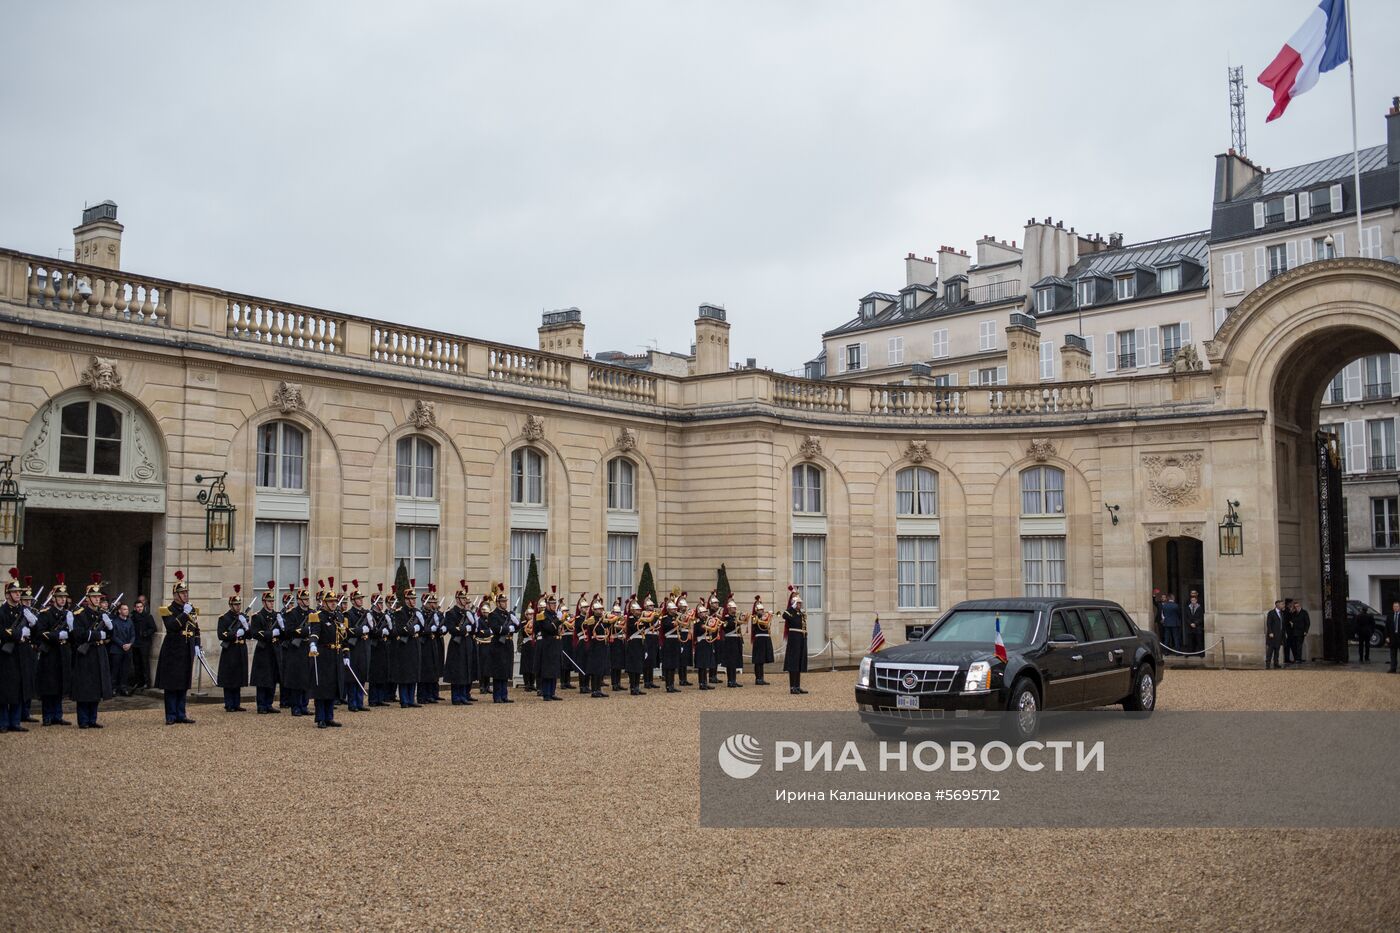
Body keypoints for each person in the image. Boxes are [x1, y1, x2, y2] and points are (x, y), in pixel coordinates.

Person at [155, 570, 199, 725]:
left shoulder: (190, 609)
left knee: (184, 683)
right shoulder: (167, 610)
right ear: (175, 595)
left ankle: (181, 714)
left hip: (187, 649)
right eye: (182, 593)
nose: (185, 595)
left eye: (186, 592)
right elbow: (172, 626)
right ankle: (171, 715)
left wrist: (197, 645)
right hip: (173, 650)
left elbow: (196, 629)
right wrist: (184, 615)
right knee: (172, 683)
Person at [70, 574, 114, 729]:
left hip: (98, 652)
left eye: (98, 597)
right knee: (85, 687)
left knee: (96, 686)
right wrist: (97, 635)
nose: (97, 599)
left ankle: (92, 718)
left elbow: (110, 635)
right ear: (87, 599)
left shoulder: (102, 614)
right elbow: (78, 634)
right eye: (94, 597)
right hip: (86, 654)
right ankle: (83, 720)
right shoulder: (80, 615)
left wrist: (110, 628)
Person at [36, 574, 73, 726]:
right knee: (49, 686)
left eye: (64, 597)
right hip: (50, 653)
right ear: (54, 598)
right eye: (60, 597)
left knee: (60, 684)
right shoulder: (46, 613)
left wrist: (71, 629)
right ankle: (47, 716)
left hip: (62, 653)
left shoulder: (67, 614)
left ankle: (58, 715)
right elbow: (41, 632)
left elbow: (73, 635)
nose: (63, 599)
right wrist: (57, 635)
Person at [306, 583, 344, 728]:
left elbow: (343, 637)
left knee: (333, 687)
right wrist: (313, 644)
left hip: (335, 655)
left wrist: (346, 653)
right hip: (323, 655)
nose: (333, 604)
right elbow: (314, 632)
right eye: (330, 601)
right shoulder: (318, 616)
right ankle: (320, 717)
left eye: (335, 601)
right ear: (324, 602)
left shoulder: (338, 616)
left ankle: (329, 717)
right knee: (322, 688)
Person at [0, 568, 27, 732]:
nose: (18, 594)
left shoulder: (23, 611)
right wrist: (18, 634)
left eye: (19, 592)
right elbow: (2, 632)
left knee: (18, 688)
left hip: (20, 654)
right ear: (8, 594)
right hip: (6, 655)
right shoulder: (2, 611)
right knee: (5, 689)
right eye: (15, 592)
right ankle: (3, 722)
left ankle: (15, 722)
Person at [249, 581, 282, 714]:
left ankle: (269, 703)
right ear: (263, 602)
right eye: (269, 601)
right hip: (263, 650)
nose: (271, 603)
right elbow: (255, 633)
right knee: (263, 679)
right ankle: (261, 705)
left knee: (273, 678)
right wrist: (270, 634)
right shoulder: (257, 616)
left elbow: (283, 633)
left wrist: (282, 627)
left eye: (272, 601)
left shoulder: (276, 615)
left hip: (274, 650)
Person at [280, 581, 312, 716]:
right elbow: (288, 631)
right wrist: (305, 631)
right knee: (296, 678)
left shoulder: (312, 613)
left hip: (308, 648)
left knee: (306, 678)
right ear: (299, 601)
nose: (307, 601)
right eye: (304, 599)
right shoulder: (292, 613)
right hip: (296, 649)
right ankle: (296, 706)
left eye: (308, 598)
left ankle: (304, 705)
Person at [443, 581, 478, 705]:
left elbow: (474, 629)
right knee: (457, 670)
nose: (464, 600)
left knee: (465, 669)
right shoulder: (451, 613)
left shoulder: (467, 613)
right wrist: (464, 629)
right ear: (457, 599)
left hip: (466, 643)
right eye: (462, 598)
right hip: (457, 644)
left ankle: (463, 695)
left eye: (465, 598)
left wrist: (472, 624)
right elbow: (451, 629)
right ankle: (456, 697)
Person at [216, 585, 249, 712]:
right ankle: (229, 703)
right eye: (235, 604)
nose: (238, 607)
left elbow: (250, 634)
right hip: (230, 650)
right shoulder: (224, 618)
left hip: (240, 649)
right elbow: (221, 635)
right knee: (229, 677)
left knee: (238, 677)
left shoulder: (243, 617)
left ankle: (237, 703)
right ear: (230, 605)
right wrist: (235, 634)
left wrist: (246, 626)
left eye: (239, 604)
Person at [391, 582, 424, 708]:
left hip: (415, 644)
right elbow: (401, 629)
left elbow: (423, 628)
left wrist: (419, 628)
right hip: (404, 646)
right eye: (411, 599)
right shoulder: (400, 612)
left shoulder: (417, 612)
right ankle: (404, 700)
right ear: (406, 600)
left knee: (414, 672)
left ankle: (411, 699)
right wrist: (415, 628)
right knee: (404, 674)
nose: (413, 601)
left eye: (414, 599)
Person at [485, 586, 518, 703]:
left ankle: (504, 695)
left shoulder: (508, 614)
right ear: (498, 603)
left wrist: (516, 623)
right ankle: (497, 696)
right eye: (503, 601)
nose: (505, 603)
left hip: (507, 643)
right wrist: (507, 629)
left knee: (506, 670)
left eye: (505, 601)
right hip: (498, 644)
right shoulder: (493, 614)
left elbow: (517, 628)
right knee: (498, 671)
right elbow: (495, 628)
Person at [342, 581, 372, 713]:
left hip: (364, 647)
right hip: (354, 649)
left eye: (361, 598)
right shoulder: (348, 614)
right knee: (353, 677)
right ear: (353, 601)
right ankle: (352, 703)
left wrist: (370, 623)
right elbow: (346, 631)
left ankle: (360, 702)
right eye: (358, 599)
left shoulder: (366, 613)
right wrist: (361, 631)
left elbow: (372, 628)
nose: (360, 600)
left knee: (362, 675)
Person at [534, 588, 563, 701]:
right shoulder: (543, 615)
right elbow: (548, 628)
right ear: (547, 605)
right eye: (552, 603)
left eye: (555, 603)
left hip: (555, 643)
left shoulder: (554, 615)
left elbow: (558, 630)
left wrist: (560, 621)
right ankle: (546, 693)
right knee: (547, 670)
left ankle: (552, 692)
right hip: (547, 644)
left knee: (554, 669)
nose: (554, 605)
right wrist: (558, 620)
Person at [367, 584, 393, 707]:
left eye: (382, 603)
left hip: (383, 646)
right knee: (374, 674)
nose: (381, 605)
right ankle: (373, 699)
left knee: (382, 672)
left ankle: (380, 698)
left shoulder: (383, 616)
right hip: (374, 647)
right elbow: (372, 631)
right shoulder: (370, 615)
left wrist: (389, 626)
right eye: (379, 603)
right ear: (374, 603)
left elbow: (392, 631)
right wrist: (382, 632)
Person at [419, 586, 445, 704]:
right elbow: (421, 629)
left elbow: (440, 626)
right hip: (424, 643)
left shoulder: (434, 614)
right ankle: (423, 695)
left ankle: (431, 694)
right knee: (425, 670)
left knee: (433, 668)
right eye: (430, 602)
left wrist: (441, 629)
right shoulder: (421, 614)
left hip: (433, 642)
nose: (432, 604)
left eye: (433, 602)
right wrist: (430, 630)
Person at [783, 586, 809, 694]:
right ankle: (792, 687)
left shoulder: (801, 613)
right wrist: (792, 606)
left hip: (801, 639)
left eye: (800, 603)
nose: (800, 605)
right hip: (794, 639)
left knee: (798, 662)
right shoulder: (791, 612)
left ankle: (797, 686)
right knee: (793, 662)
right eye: (798, 603)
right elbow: (784, 615)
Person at [583, 595, 610, 698]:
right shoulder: (591, 620)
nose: (600, 611)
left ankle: (599, 689)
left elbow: (607, 628)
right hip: (595, 645)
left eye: (601, 609)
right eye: (598, 609)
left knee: (600, 669)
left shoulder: (603, 619)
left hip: (602, 644)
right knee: (595, 669)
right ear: (594, 610)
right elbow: (593, 628)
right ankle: (594, 690)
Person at [109, 600, 136, 697]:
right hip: (117, 650)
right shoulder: (115, 622)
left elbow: (133, 634)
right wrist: (122, 645)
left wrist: (130, 644)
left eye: (127, 609)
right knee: (115, 670)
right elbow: (114, 636)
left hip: (128, 649)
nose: (126, 611)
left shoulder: (130, 621)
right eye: (124, 609)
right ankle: (113, 688)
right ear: (119, 611)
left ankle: (123, 688)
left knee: (125, 670)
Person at [130, 595, 156, 690]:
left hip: (144, 643)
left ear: (143, 607)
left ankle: (146, 682)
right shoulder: (132, 617)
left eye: (141, 607)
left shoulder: (148, 616)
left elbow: (153, 628)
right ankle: (138, 681)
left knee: (144, 663)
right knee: (136, 663)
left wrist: (146, 633)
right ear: (135, 608)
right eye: (137, 607)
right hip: (135, 643)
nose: (139, 608)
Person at [623, 596, 647, 695]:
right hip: (633, 644)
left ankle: (637, 687)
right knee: (633, 667)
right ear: (632, 611)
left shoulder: (639, 618)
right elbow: (634, 627)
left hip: (639, 644)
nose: (639, 611)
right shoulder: (630, 619)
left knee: (638, 666)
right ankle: (633, 687)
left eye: (639, 610)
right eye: (637, 610)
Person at [659, 592, 682, 693]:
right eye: (673, 609)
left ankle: (672, 684)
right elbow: (668, 626)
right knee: (668, 665)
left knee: (673, 665)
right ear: (668, 610)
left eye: (675, 609)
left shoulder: (675, 617)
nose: (675, 611)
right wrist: (676, 623)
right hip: (668, 642)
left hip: (675, 642)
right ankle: (668, 685)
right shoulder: (665, 618)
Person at [748, 596, 774, 685]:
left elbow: (767, 625)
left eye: (762, 610)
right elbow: (760, 622)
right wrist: (766, 617)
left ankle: (761, 678)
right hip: (759, 639)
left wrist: (769, 616)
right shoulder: (755, 617)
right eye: (760, 610)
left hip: (765, 638)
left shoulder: (765, 616)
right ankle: (758, 678)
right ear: (757, 610)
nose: (762, 611)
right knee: (758, 660)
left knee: (762, 660)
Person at [692, 602, 716, 691]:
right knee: (702, 665)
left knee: (706, 664)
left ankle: (705, 682)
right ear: (699, 614)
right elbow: (700, 630)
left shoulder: (707, 620)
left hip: (707, 642)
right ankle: (701, 683)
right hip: (701, 643)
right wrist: (708, 626)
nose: (705, 614)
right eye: (703, 612)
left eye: (706, 612)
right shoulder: (697, 621)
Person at [721, 597, 744, 688]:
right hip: (729, 641)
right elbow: (726, 627)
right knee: (730, 661)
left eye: (735, 608)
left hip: (736, 640)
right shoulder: (726, 618)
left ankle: (734, 680)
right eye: (734, 608)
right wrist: (738, 622)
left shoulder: (735, 617)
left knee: (735, 661)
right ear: (729, 609)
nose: (735, 609)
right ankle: (730, 681)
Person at [676, 592, 694, 687]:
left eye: (685, 606)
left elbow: (690, 624)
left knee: (686, 657)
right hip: (681, 634)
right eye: (683, 606)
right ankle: (681, 679)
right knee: (681, 657)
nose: (685, 608)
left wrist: (690, 632)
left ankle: (685, 678)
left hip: (687, 633)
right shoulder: (677, 614)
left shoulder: (688, 614)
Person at [1264, 599, 1286, 670]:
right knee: (1270, 650)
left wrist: (1284, 633)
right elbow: (1269, 623)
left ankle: (1276, 663)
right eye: (1282, 604)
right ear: (1277, 605)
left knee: (1277, 649)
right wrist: (1270, 632)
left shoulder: (1282, 613)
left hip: (1279, 635)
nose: (1283, 605)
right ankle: (1268, 663)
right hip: (1273, 635)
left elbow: (1282, 624)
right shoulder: (1271, 613)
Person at [1288, 599, 1310, 664]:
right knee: (1294, 646)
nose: (1296, 608)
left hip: (1301, 632)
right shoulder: (1294, 613)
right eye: (1295, 607)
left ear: (1300, 606)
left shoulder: (1304, 612)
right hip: (1294, 632)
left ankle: (1298, 659)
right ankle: (1296, 658)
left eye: (1297, 606)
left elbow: (1307, 622)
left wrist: (1306, 631)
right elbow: (1291, 620)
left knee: (1299, 646)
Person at [1385, 600, 1400, 674]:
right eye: (1394, 606)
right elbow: (1386, 627)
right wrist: (1387, 637)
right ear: (1393, 607)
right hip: (1392, 637)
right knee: (1393, 654)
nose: (1395, 608)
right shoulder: (1390, 616)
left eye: (1397, 606)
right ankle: (1393, 668)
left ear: (1399, 607)